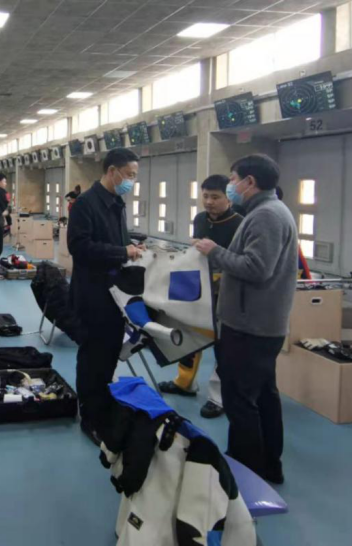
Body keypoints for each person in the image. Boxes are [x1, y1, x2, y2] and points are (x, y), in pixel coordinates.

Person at [194, 154, 298, 485]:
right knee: (263, 397)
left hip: (251, 326)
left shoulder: (266, 215)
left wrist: (214, 251)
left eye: (232, 179)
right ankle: (269, 466)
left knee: (240, 401)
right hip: (258, 323)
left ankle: (246, 472)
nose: (230, 185)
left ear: (249, 182)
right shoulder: (268, 211)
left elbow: (257, 268)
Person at [67, 148, 142, 445]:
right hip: (92, 295)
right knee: (92, 358)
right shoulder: (86, 204)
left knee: (109, 354)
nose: (132, 181)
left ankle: (102, 405)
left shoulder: (117, 203)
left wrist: (131, 246)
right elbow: (79, 247)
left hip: (115, 296)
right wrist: (122, 251)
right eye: (130, 175)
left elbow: (115, 240)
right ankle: (90, 417)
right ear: (112, 171)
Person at [158, 175, 243, 419]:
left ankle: (218, 397)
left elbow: (240, 261)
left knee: (222, 346)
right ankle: (184, 383)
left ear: (228, 198)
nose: (209, 202)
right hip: (196, 288)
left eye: (215, 197)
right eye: (205, 196)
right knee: (189, 338)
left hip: (225, 293)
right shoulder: (200, 219)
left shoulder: (239, 224)